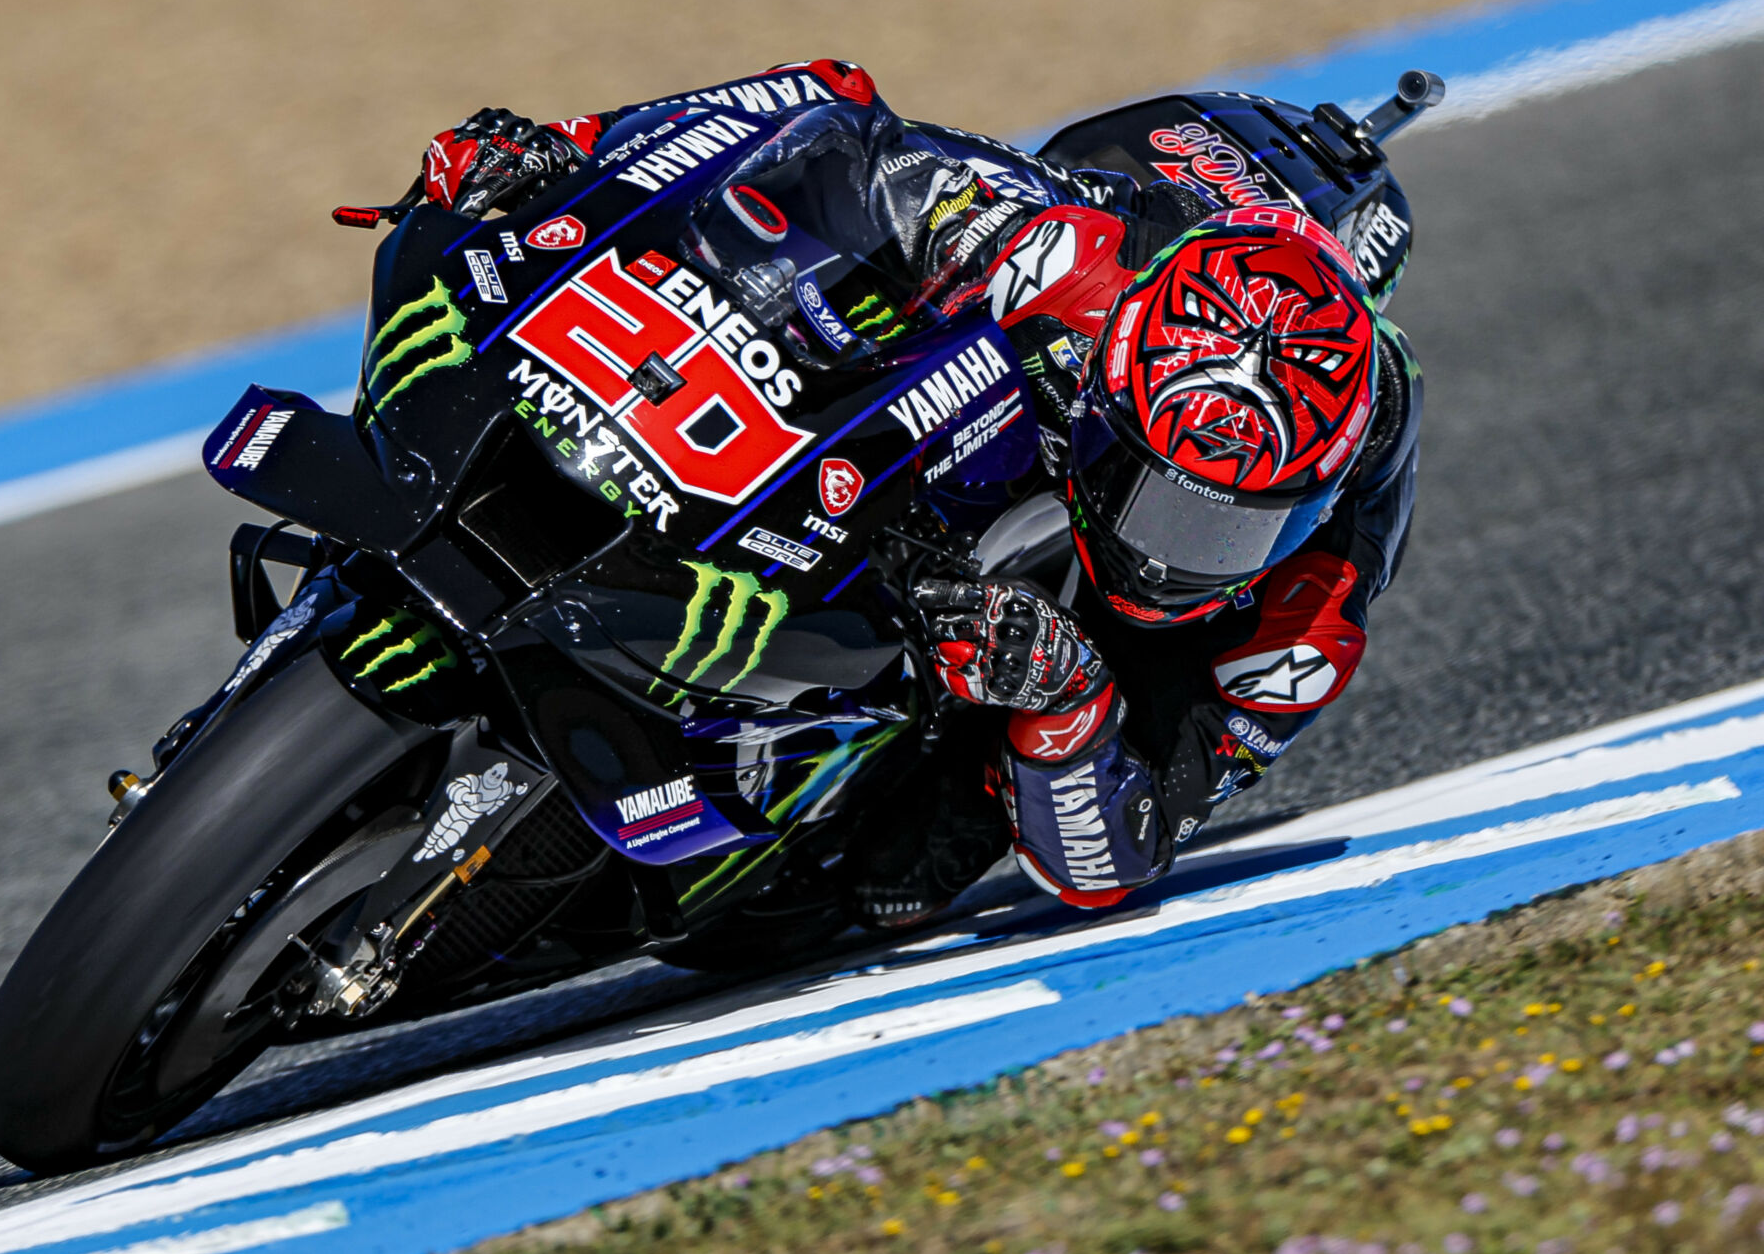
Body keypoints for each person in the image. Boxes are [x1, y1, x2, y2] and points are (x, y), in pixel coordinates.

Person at [415, 60, 1422, 927]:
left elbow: (1114, 859)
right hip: (952, 421)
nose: (1177, 553)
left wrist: (1065, 702)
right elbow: (826, 109)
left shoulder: (1318, 593)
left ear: (1315, 493)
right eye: (1174, 508)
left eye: (1232, 527)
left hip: (1025, 688)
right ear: (1111, 391)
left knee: (893, 875)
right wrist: (574, 156)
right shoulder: (1056, 251)